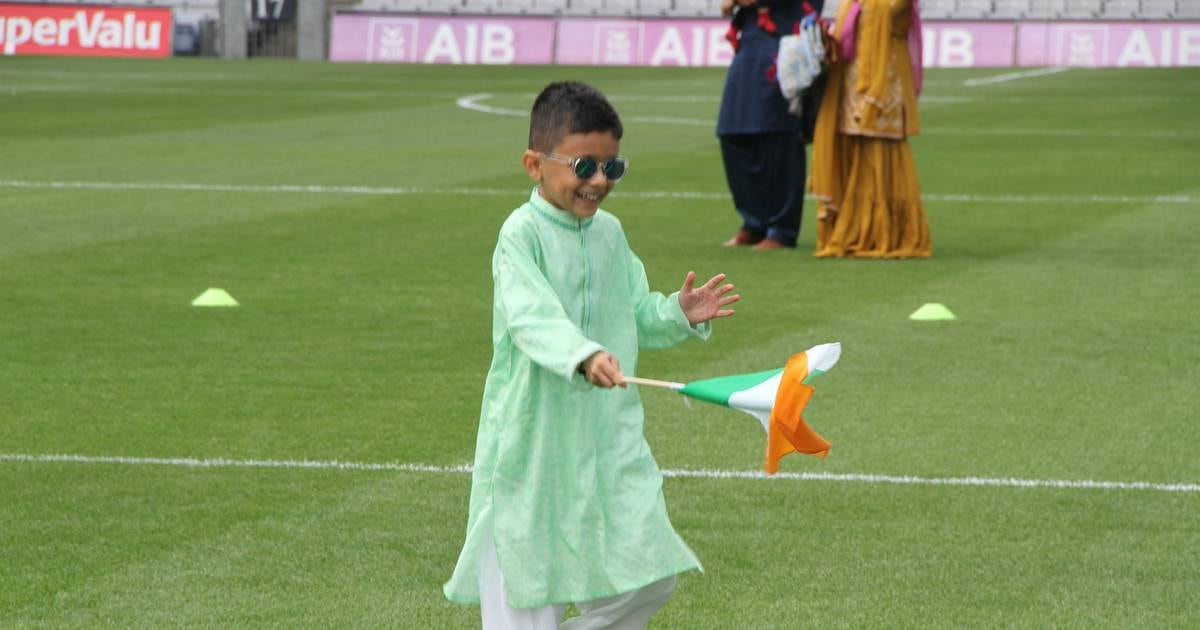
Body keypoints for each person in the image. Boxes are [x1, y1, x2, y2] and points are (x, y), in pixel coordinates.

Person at [443, 81, 740, 629]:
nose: (600, 181)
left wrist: (677, 312)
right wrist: (583, 356)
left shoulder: (610, 234)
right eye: (584, 166)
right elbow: (531, 318)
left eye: (613, 168)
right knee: (525, 589)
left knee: (650, 575)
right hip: (533, 445)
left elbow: (634, 313)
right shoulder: (520, 234)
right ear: (535, 164)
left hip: (608, 441)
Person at [809, 0, 932, 258]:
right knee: (852, 154)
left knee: (878, 154)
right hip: (849, 85)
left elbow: (892, 14)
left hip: (884, 85)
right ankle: (852, 229)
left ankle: (883, 233)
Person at [717, 0, 823, 250]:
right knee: (732, 130)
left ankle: (781, 229)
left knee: (779, 133)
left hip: (787, 39)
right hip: (751, 41)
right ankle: (754, 222)